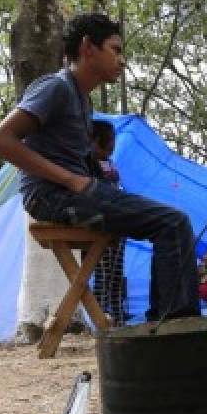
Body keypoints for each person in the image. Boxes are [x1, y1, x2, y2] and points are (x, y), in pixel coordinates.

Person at [0, 12, 200, 322]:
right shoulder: (54, 88)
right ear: (88, 47)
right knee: (172, 223)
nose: (122, 60)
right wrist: (71, 180)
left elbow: (84, 162)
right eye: (115, 49)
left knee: (170, 220)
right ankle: (175, 326)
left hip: (73, 194)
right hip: (52, 196)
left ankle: (169, 320)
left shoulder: (80, 99)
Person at [87, 119, 128, 324]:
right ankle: (100, 321)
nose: (113, 145)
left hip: (118, 227)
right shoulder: (88, 164)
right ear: (95, 140)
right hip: (99, 227)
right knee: (102, 275)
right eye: (110, 140)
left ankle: (118, 321)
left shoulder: (111, 165)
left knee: (116, 276)